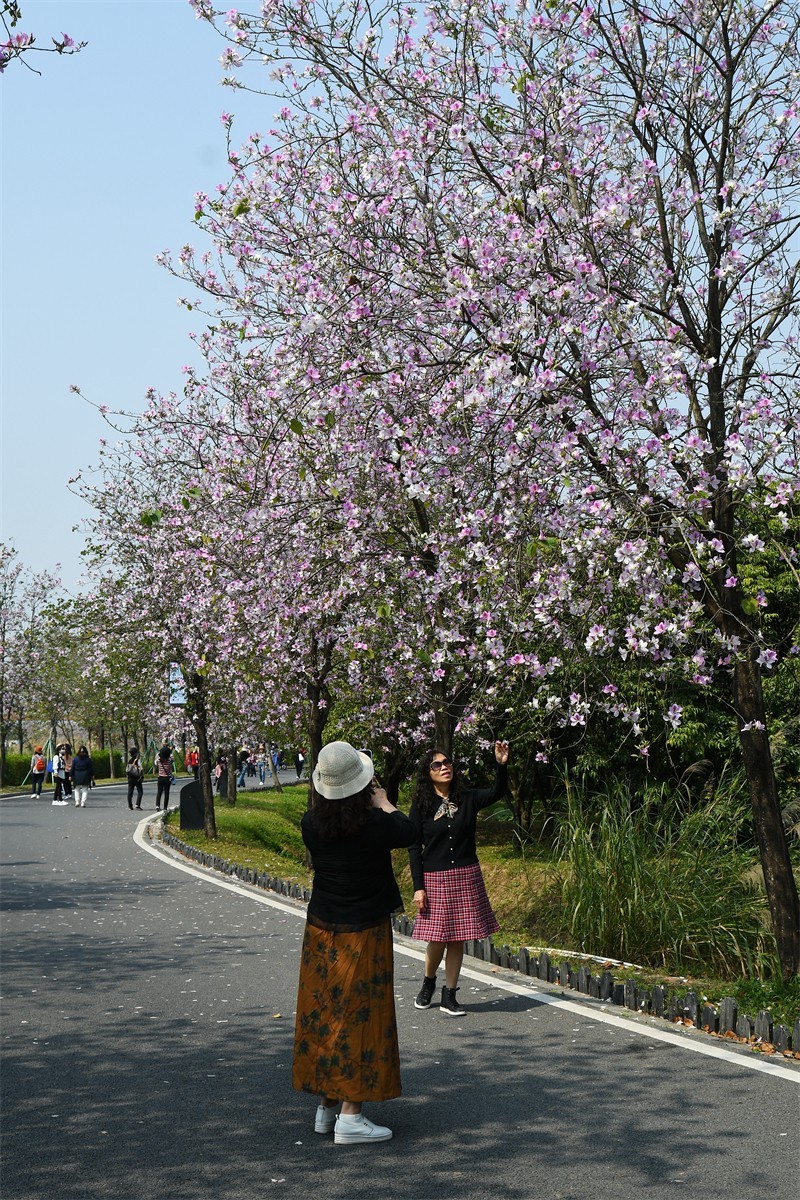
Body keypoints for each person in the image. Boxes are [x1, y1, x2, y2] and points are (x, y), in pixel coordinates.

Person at [293, 741, 416, 1145]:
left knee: (324, 1013)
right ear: (363, 785)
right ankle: (351, 1116)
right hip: (363, 932)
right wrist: (385, 802)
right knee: (361, 1017)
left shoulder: (311, 824)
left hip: (320, 931)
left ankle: (327, 1106)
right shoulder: (377, 824)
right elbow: (411, 832)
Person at [408, 740, 509, 1017]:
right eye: (437, 765)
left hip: (466, 875)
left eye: (447, 763)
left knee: (458, 938)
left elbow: (497, 791)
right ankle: (429, 982)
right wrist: (419, 887)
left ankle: (449, 994)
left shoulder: (468, 797)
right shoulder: (422, 805)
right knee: (438, 937)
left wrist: (501, 765)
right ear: (428, 773)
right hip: (435, 878)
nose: (444, 768)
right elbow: (414, 847)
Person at [155, 743, 175, 812]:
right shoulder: (170, 761)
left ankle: (157, 805)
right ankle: (165, 807)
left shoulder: (159, 761)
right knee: (166, 793)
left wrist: (160, 753)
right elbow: (172, 757)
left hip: (160, 778)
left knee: (159, 792)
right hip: (167, 778)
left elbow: (157, 757)